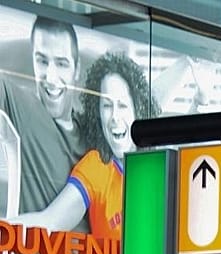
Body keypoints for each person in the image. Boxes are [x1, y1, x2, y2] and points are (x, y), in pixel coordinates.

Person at [19, 52, 155, 238]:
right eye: (107, 106)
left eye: (122, 105)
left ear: (137, 109)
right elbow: (49, 222)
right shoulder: (97, 167)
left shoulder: (158, 166)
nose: (115, 117)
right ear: (97, 112)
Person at [0, 18, 83, 221]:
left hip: (99, 251)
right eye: (42, 61)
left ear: (77, 69)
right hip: (31, 249)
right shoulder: (18, 103)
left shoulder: (93, 130)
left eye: (62, 64)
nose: (51, 77)